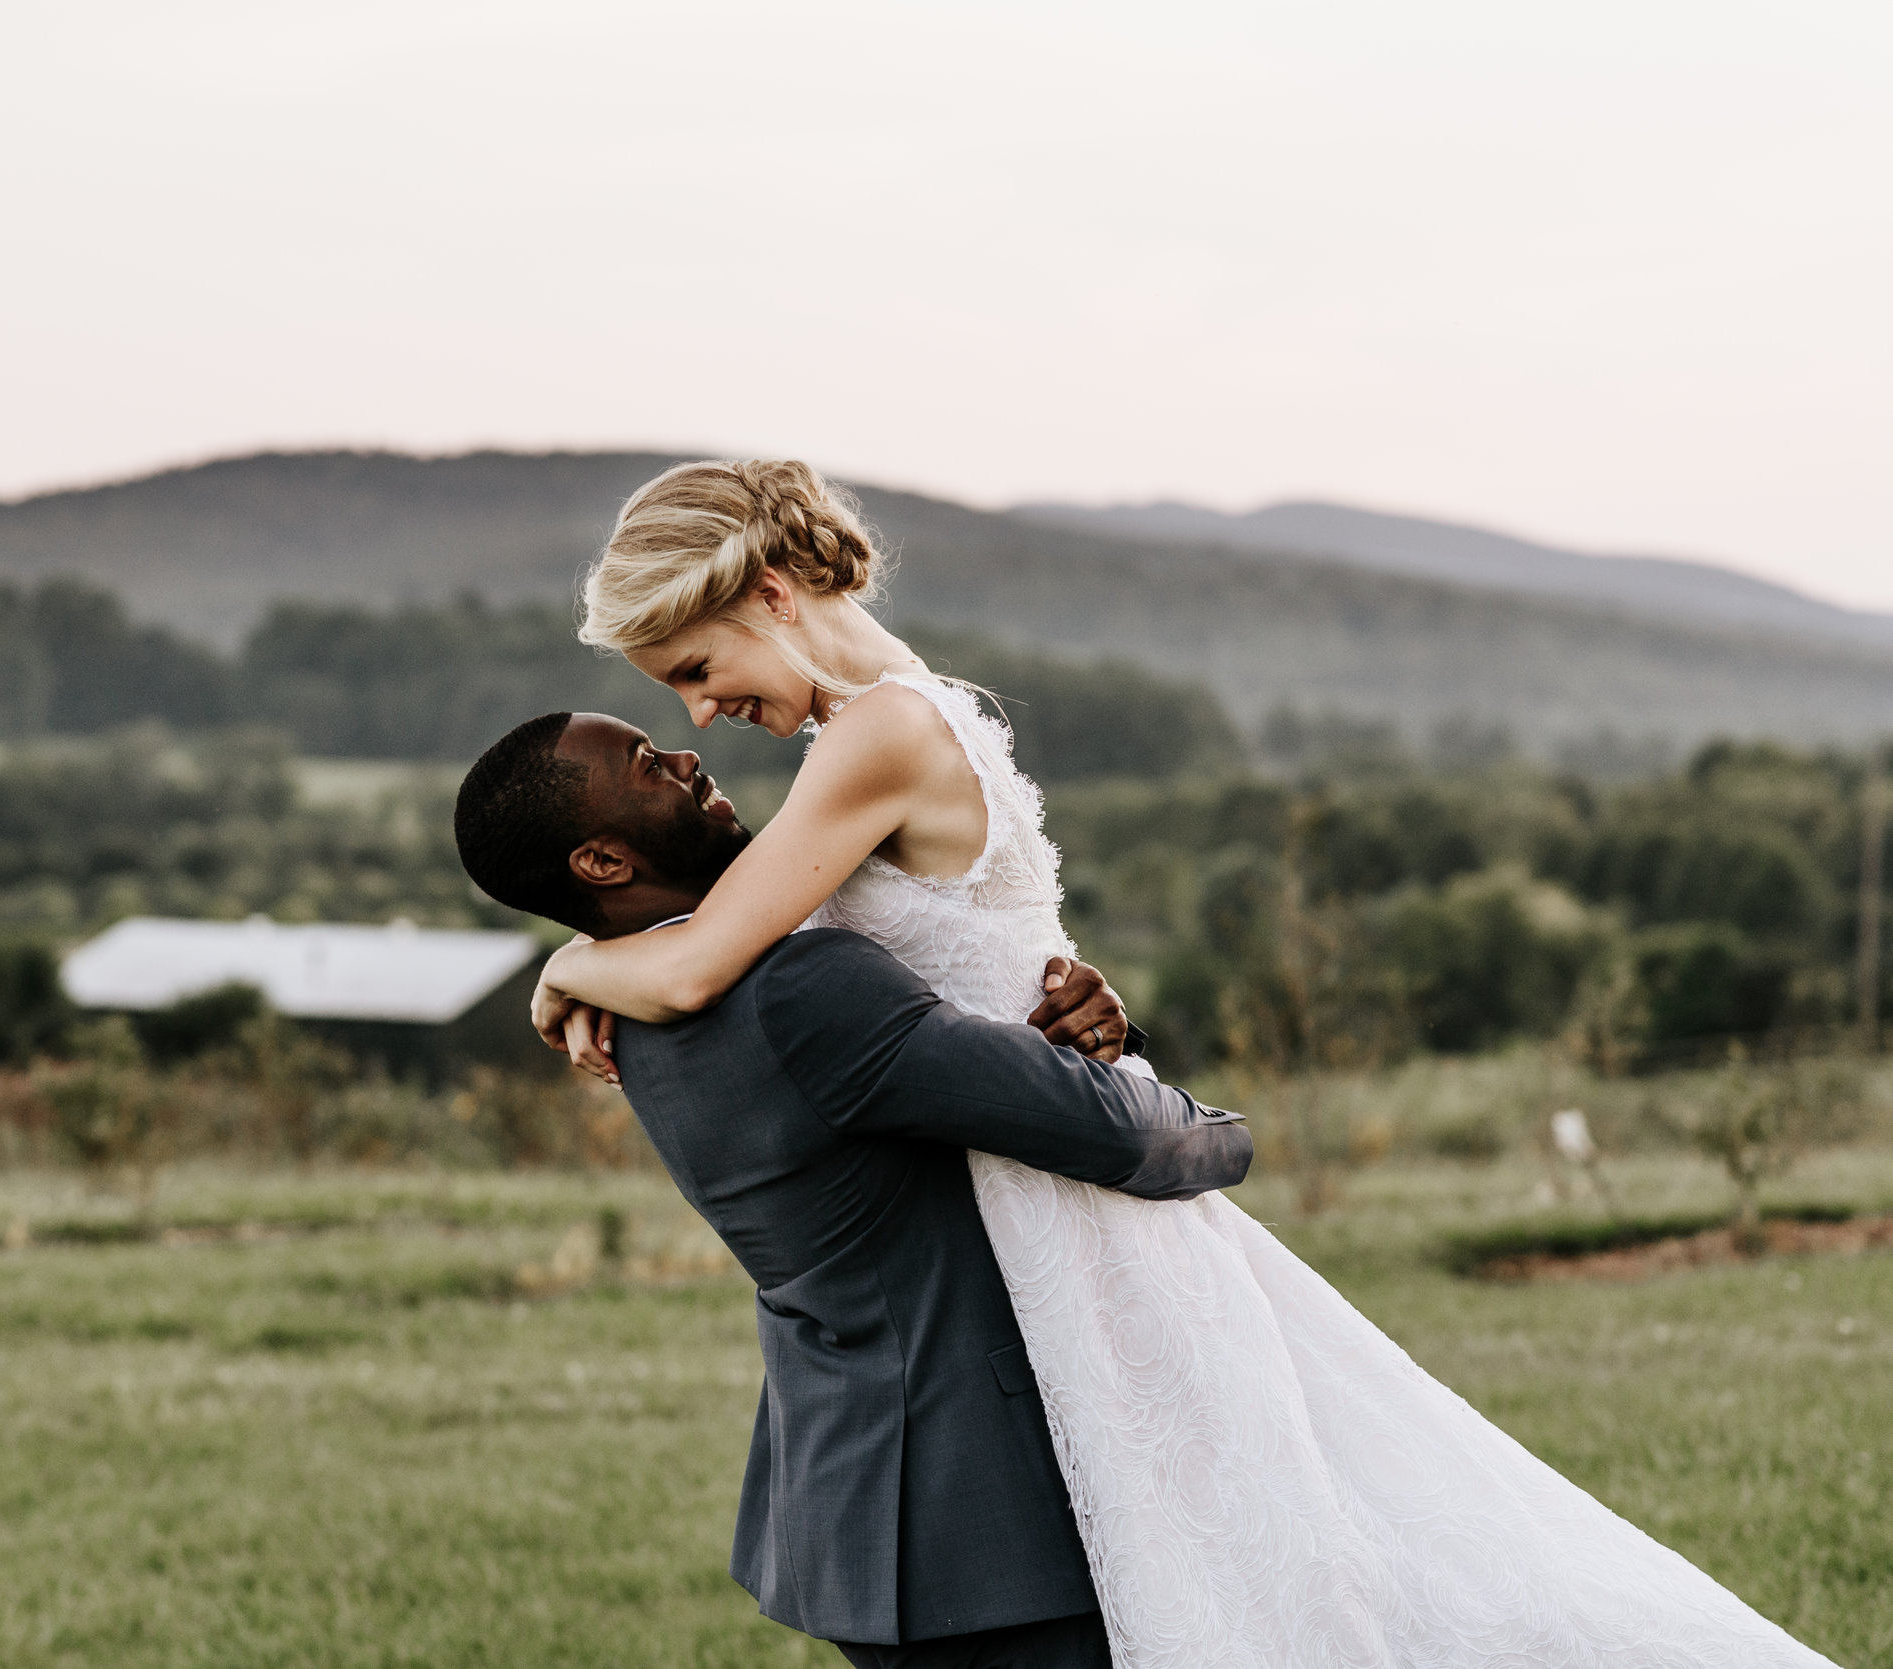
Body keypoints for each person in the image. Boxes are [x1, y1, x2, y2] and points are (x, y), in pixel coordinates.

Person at [503, 459, 1840, 1668]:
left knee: (1255, 1558)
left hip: (1060, 1191)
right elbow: (978, 951)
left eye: (691, 667)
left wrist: (567, 970)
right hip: (1034, 1174)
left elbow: (691, 967)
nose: (703, 712)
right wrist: (1084, 1006)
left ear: (773, 594)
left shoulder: (877, 736)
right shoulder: (897, 719)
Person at [452, 708, 1255, 1666]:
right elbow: (1118, 1132)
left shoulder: (633, 1012)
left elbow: (905, 1118)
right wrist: (1220, 1132)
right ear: (602, 862)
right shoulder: (799, 988)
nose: (685, 751)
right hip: (983, 1508)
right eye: (646, 764)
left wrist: (1056, 1041)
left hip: (858, 1491)